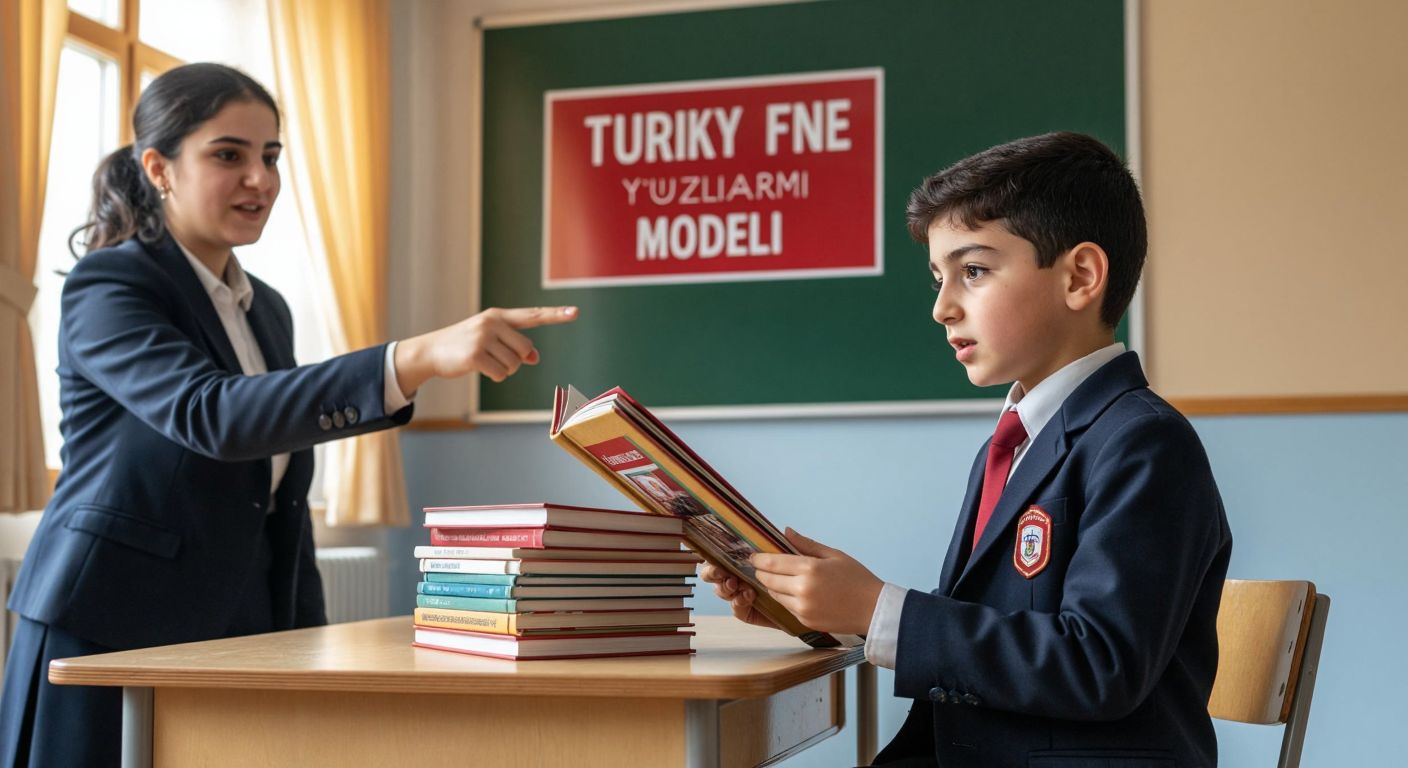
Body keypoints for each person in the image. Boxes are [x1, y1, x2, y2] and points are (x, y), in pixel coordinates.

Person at [0, 63, 577, 767]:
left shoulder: (265, 305)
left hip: (231, 629)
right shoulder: (111, 282)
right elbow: (209, 415)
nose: (260, 179)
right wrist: (412, 358)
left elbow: (276, 498)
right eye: (228, 155)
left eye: (270, 156)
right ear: (159, 167)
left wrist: (306, 641)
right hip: (105, 624)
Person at [704, 132, 1233, 767]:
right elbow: (990, 645)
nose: (941, 308)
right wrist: (829, 614)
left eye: (973, 271)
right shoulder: (1007, 447)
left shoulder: (1144, 442)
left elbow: (1099, 665)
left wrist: (880, 609)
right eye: (938, 277)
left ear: (1081, 277)